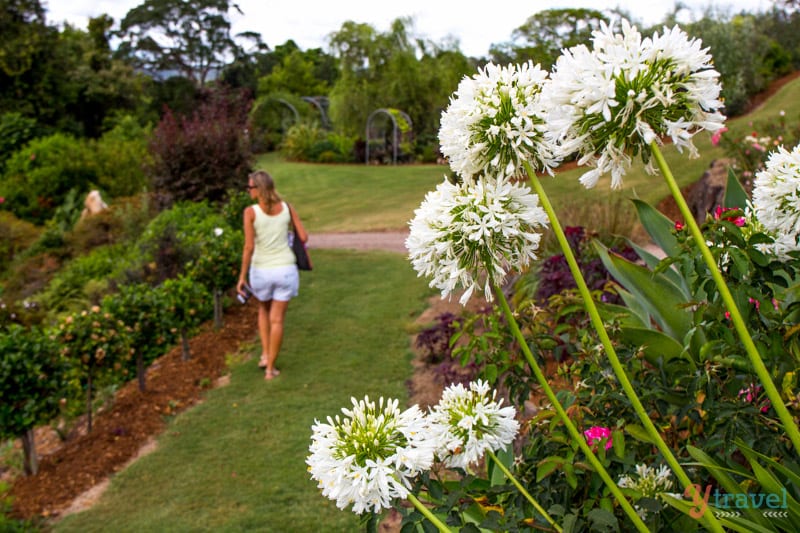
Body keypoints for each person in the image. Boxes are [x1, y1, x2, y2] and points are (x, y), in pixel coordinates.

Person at [237, 170, 308, 380]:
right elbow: (303, 236)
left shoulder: (250, 212)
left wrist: (242, 276)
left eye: (250, 187)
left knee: (263, 310)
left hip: (261, 271)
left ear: (259, 189)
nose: (248, 191)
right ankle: (270, 370)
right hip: (286, 270)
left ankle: (266, 355)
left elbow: (249, 247)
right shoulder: (287, 208)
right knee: (277, 320)